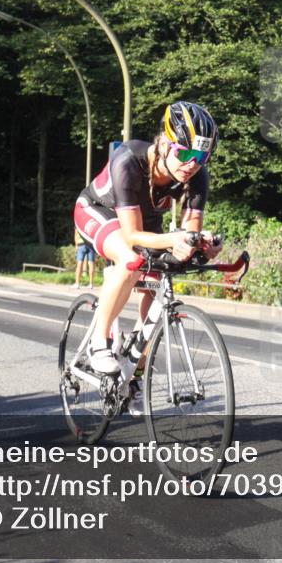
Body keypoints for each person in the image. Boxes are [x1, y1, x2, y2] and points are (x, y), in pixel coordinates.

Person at [73, 101, 222, 378]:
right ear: (165, 143)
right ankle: (98, 342)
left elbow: (189, 232)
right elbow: (130, 235)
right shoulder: (129, 159)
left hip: (145, 224)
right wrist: (175, 239)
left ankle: (135, 369)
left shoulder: (197, 175)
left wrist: (200, 244)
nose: (192, 164)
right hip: (97, 210)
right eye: (185, 152)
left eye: (202, 157)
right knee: (131, 260)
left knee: (159, 286)